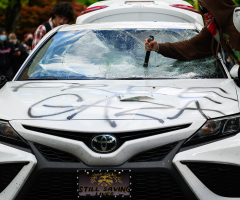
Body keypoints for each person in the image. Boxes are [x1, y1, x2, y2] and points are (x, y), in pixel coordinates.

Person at [145, 0, 240, 67]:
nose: (205, 14)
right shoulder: (214, 31)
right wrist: (158, 47)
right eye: (202, 9)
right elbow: (189, 47)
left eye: (205, 9)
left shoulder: (238, 20)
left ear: (215, 7)